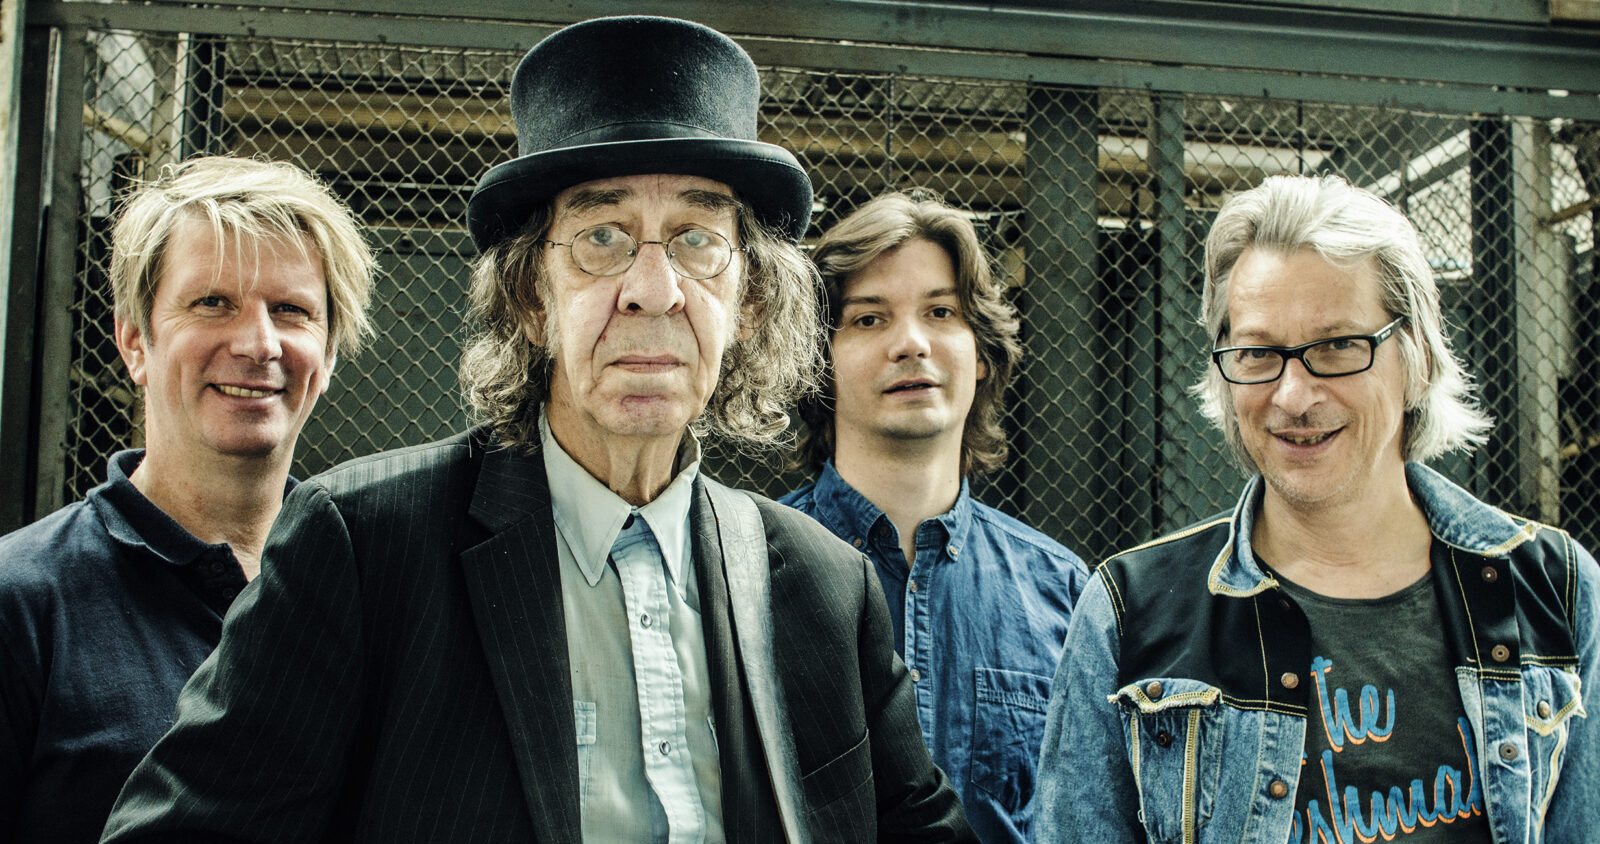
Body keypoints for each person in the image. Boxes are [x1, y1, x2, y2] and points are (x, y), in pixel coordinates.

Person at [102, 16, 974, 843]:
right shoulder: (364, 547)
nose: (654, 291)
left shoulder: (827, 587)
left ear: (747, 301)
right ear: (529, 297)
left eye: (698, 240)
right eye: (602, 237)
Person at [1034, 174, 1598, 843]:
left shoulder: (1555, 588)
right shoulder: (1131, 611)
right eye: (1258, 352)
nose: (1294, 396)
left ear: (1417, 358)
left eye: (1336, 346)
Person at [0, 155, 375, 843]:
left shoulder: (373, 591)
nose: (259, 344)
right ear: (134, 342)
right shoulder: (22, 601)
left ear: (327, 356)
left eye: (291, 311)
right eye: (212, 303)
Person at [780, 191, 1088, 843]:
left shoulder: (1063, 591)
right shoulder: (747, 566)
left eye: (941, 312)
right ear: (818, 362)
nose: (911, 343)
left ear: (981, 352)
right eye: (869, 319)